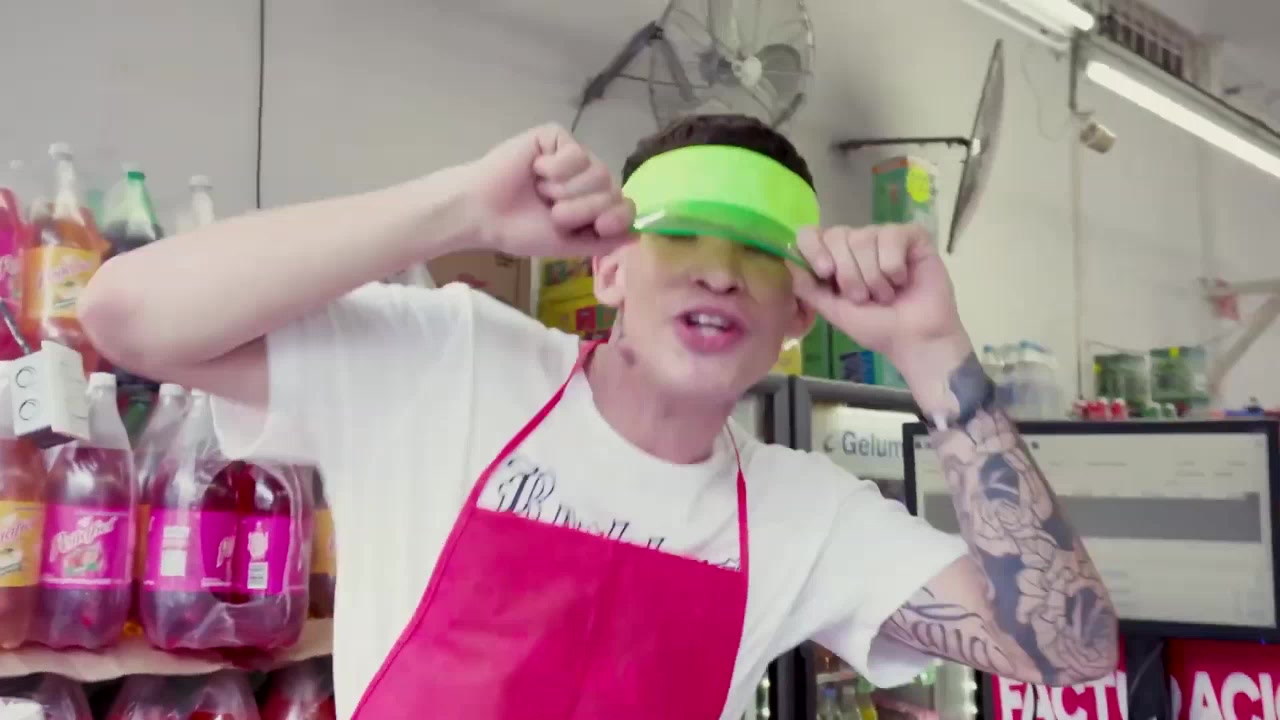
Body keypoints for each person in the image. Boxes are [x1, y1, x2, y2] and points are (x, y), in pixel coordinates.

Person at [81, 114, 1117, 719]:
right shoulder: (452, 365)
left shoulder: (805, 516)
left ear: (799, 312)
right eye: (685, 237)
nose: (719, 272)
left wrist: (934, 352)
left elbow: (1067, 654)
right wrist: (457, 208)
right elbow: (126, 315)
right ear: (609, 267)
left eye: (759, 254)